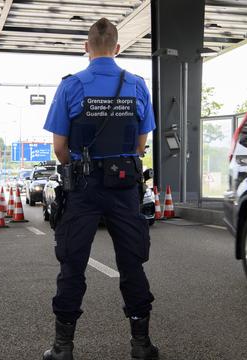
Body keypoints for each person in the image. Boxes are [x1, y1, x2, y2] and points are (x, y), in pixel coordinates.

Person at [42, 17, 159, 360]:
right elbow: (141, 144)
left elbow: (59, 148)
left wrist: (81, 168)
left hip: (83, 187)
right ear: (118, 48)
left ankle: (63, 348)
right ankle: (141, 346)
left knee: (73, 265)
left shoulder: (71, 86)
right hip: (125, 187)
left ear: (86, 48)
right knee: (132, 264)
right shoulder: (137, 85)